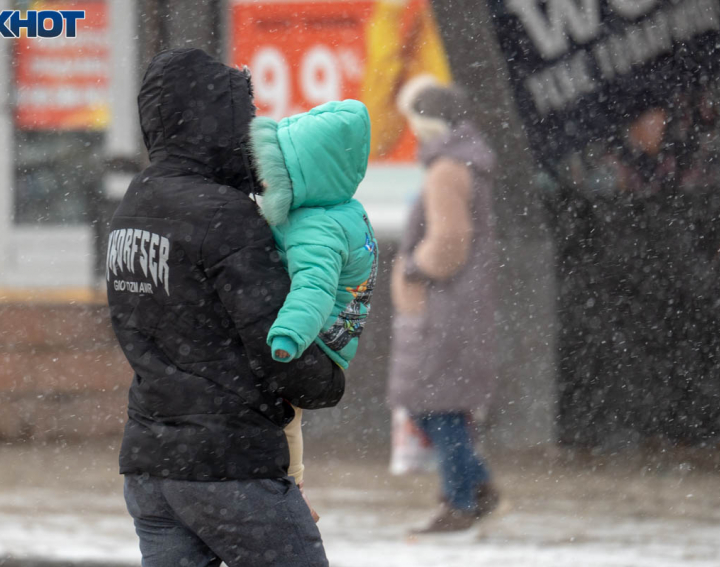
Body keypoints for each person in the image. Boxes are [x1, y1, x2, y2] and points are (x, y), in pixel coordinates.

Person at [106, 48, 345, 567]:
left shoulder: (136, 203)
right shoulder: (223, 214)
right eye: (243, 115)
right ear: (217, 122)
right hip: (229, 467)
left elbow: (139, 327)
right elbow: (278, 344)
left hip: (152, 466)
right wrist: (328, 374)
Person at [248, 100, 379, 508]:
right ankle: (293, 483)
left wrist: (290, 333)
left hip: (315, 337)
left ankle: (294, 487)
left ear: (303, 178)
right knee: (288, 416)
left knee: (286, 415)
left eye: (276, 174)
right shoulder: (342, 211)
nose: (267, 183)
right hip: (336, 334)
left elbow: (315, 289)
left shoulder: (315, 227)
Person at [387, 75, 499, 533]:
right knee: (440, 404)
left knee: (434, 406)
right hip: (459, 306)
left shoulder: (446, 170)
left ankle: (462, 500)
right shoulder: (464, 164)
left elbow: (450, 244)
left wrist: (413, 266)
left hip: (442, 309)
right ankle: (476, 488)